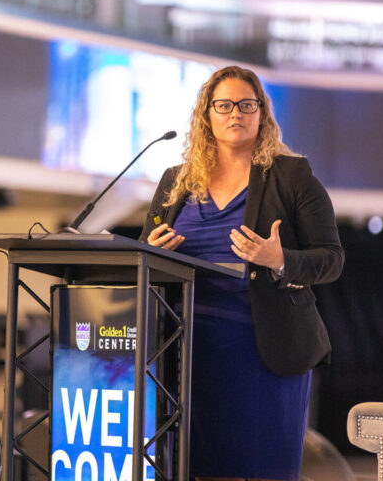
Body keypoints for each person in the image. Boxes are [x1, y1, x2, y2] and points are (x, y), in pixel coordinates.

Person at [140, 65, 344, 481]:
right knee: (190, 466)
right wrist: (153, 252)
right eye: (225, 105)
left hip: (264, 350)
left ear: (261, 114)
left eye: (247, 105)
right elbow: (144, 253)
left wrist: (280, 260)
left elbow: (332, 258)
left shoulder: (291, 175)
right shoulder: (174, 182)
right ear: (207, 116)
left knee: (261, 469)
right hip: (185, 352)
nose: (236, 113)